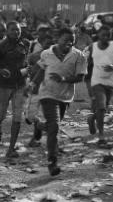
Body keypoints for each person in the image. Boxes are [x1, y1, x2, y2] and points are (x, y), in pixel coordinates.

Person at [32, 28, 87, 176]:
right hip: (47, 94)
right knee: (55, 127)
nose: (68, 43)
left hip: (65, 96)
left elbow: (80, 78)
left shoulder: (79, 56)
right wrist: (32, 85)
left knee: (52, 127)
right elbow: (41, 70)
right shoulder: (46, 54)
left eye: (72, 41)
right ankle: (52, 161)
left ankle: (39, 125)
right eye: (65, 40)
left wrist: (63, 79)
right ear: (57, 38)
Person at [0, 20, 30, 157]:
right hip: (4, 85)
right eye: (13, 30)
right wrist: (0, 70)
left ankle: (11, 148)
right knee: (2, 113)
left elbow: (27, 62)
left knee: (17, 116)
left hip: (20, 84)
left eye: (18, 30)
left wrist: (27, 69)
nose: (16, 32)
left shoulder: (26, 44)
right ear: (7, 32)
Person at [86, 25, 113, 147]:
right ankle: (101, 136)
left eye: (108, 35)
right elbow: (86, 62)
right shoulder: (92, 47)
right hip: (96, 81)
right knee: (102, 107)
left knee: (103, 109)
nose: (105, 38)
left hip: (110, 83)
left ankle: (92, 118)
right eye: (103, 35)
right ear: (98, 35)